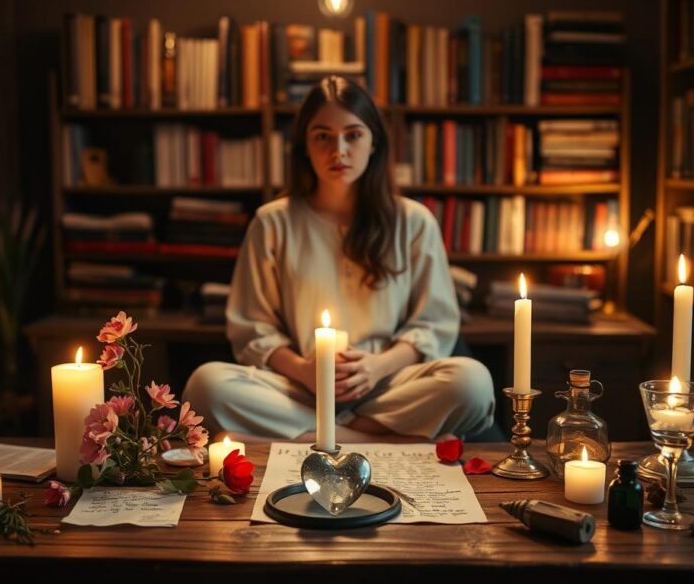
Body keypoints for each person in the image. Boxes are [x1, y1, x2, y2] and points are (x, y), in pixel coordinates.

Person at [183, 76, 494, 443]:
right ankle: (383, 443)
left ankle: (311, 440)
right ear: (304, 146)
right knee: (205, 387)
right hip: (301, 388)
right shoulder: (273, 222)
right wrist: (304, 371)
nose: (339, 150)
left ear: (373, 141)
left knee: (472, 383)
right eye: (323, 136)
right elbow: (252, 328)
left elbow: (434, 324)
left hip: (387, 385)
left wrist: (378, 367)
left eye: (353, 135)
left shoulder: (412, 221)